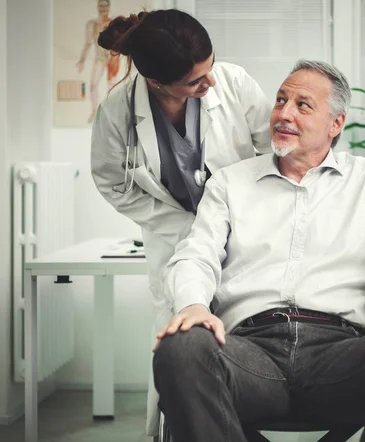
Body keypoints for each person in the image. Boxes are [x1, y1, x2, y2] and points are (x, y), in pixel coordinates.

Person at [153, 60, 365, 442]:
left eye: (303, 105)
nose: (283, 114)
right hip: (249, 354)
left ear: (335, 124)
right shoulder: (229, 183)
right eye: (280, 100)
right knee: (182, 347)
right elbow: (196, 254)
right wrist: (193, 305)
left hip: (342, 355)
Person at [89, 8, 272, 436]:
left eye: (209, 69)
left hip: (245, 237)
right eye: (195, 81)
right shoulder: (117, 112)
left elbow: (273, 153)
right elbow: (111, 182)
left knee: (244, 335)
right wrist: (184, 227)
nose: (210, 85)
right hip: (175, 244)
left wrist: (237, 216)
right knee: (180, 343)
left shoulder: (234, 84)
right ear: (156, 82)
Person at [75, 0, 120, 123]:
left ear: (109, 6)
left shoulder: (113, 23)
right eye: (100, 5)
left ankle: (111, 112)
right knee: (93, 85)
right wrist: (82, 60)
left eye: (105, 5)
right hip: (99, 58)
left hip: (112, 58)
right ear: (97, 6)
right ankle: (94, 111)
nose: (103, 8)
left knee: (112, 86)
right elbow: (88, 43)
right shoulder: (92, 24)